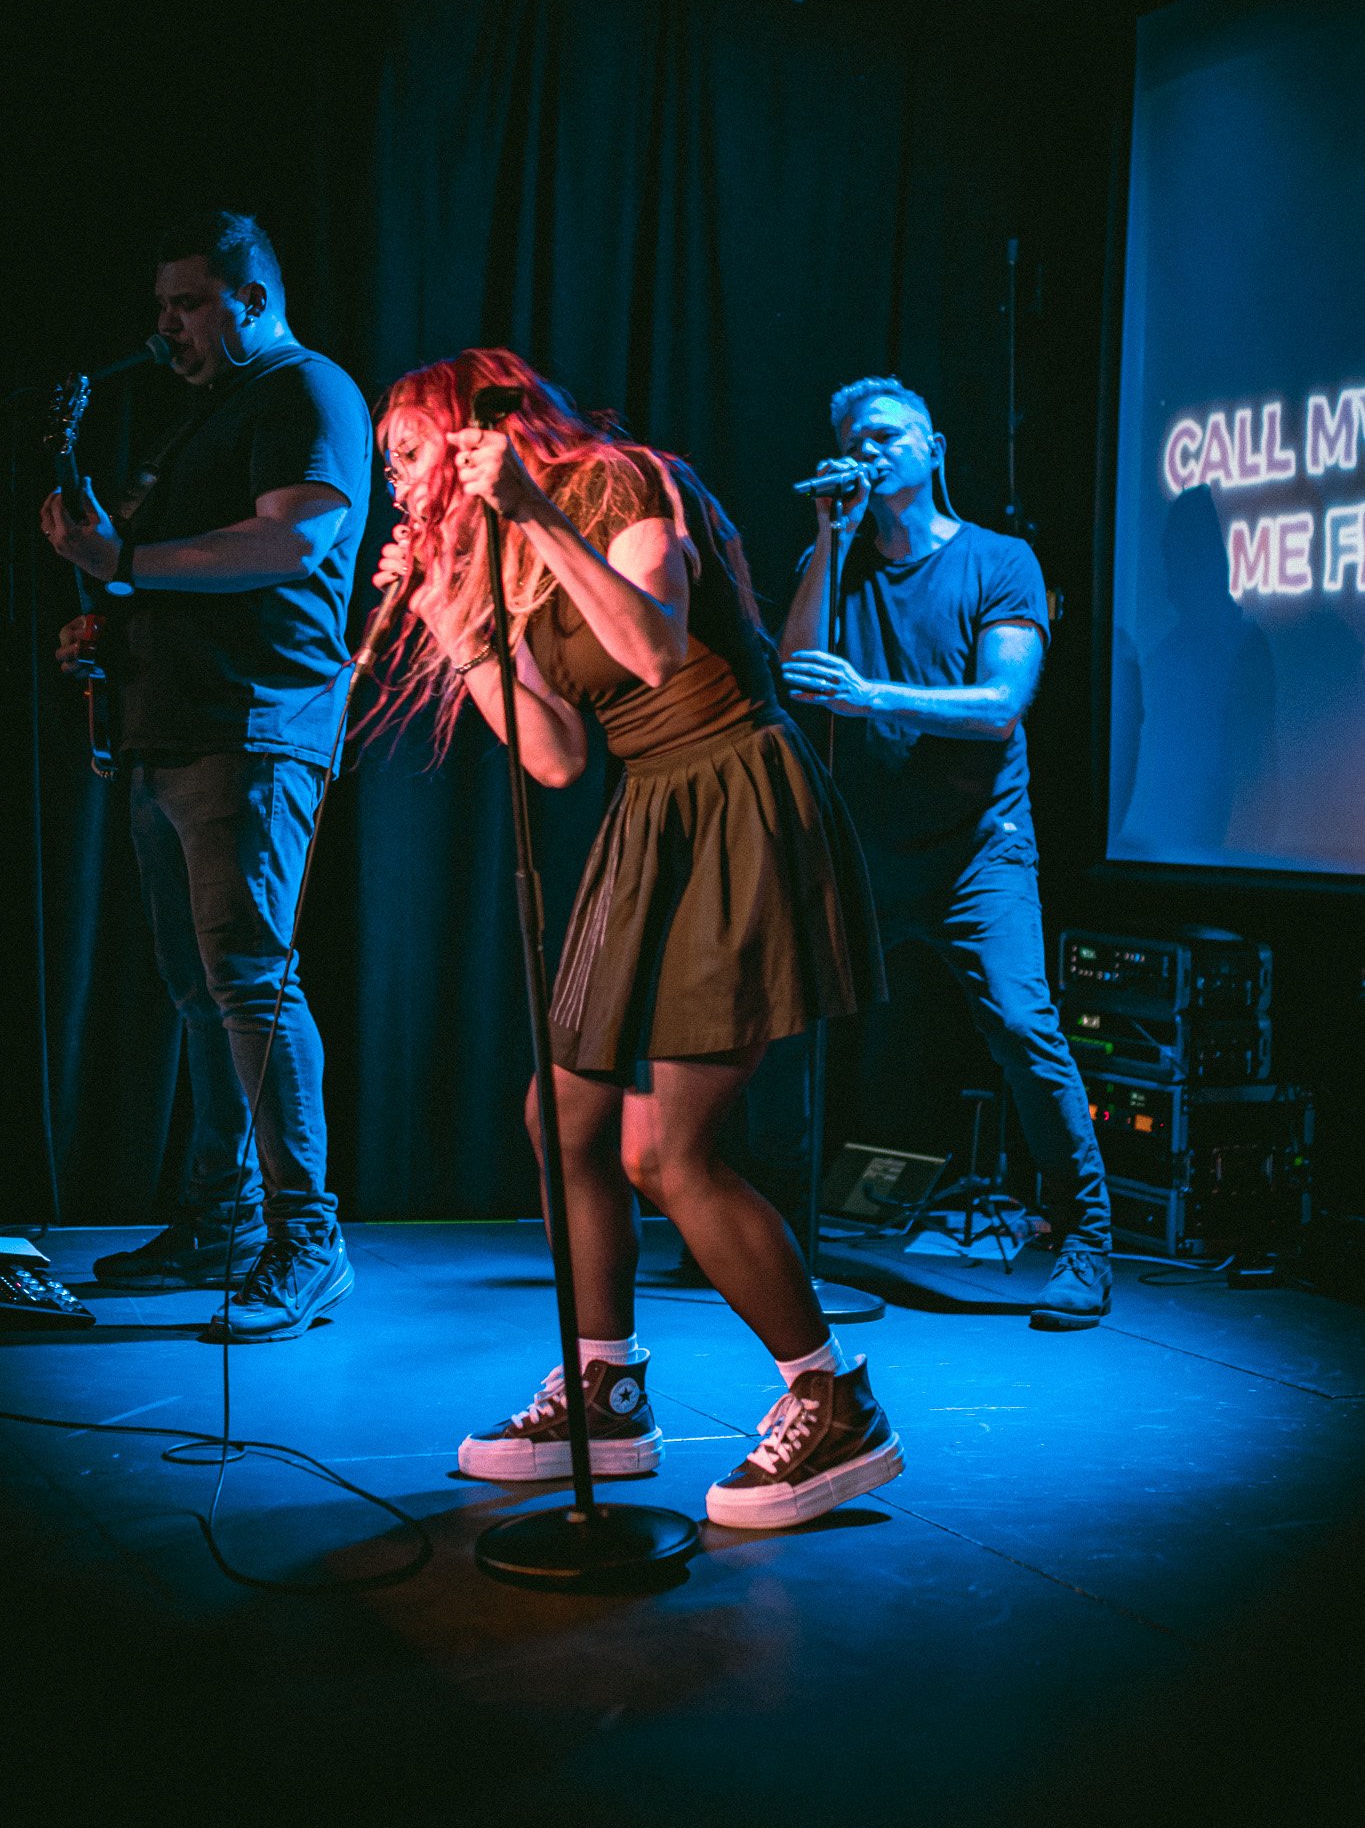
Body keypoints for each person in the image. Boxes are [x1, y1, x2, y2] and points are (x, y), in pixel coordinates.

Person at [372, 349, 898, 1528]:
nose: (394, 481)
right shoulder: (504, 552)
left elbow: (656, 648)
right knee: (562, 1115)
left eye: (404, 451)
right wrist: (450, 614)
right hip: (645, 809)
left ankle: (834, 1398)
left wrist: (531, 511)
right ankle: (604, 1389)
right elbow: (557, 756)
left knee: (668, 1149)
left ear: (471, 428)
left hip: (734, 791)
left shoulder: (615, 482)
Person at [41, 210, 372, 1342]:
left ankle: (307, 1240)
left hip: (251, 726)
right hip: (171, 728)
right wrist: (111, 620)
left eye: (188, 304)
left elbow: (293, 542)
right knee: (203, 990)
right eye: (163, 305)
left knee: (249, 981)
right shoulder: (208, 411)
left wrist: (125, 560)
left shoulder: (305, 388)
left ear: (251, 298)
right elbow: (186, 577)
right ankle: (223, 1219)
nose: (167, 326)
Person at [780, 376, 1112, 1329]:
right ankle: (769, 1230)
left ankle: (1085, 1240)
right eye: (855, 440)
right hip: (863, 849)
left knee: (1020, 1025)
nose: (869, 452)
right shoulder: (833, 562)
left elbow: (1002, 705)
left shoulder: (997, 560)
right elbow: (797, 672)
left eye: (888, 436)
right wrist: (828, 538)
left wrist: (872, 696)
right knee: (785, 1029)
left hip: (978, 851)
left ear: (932, 449)